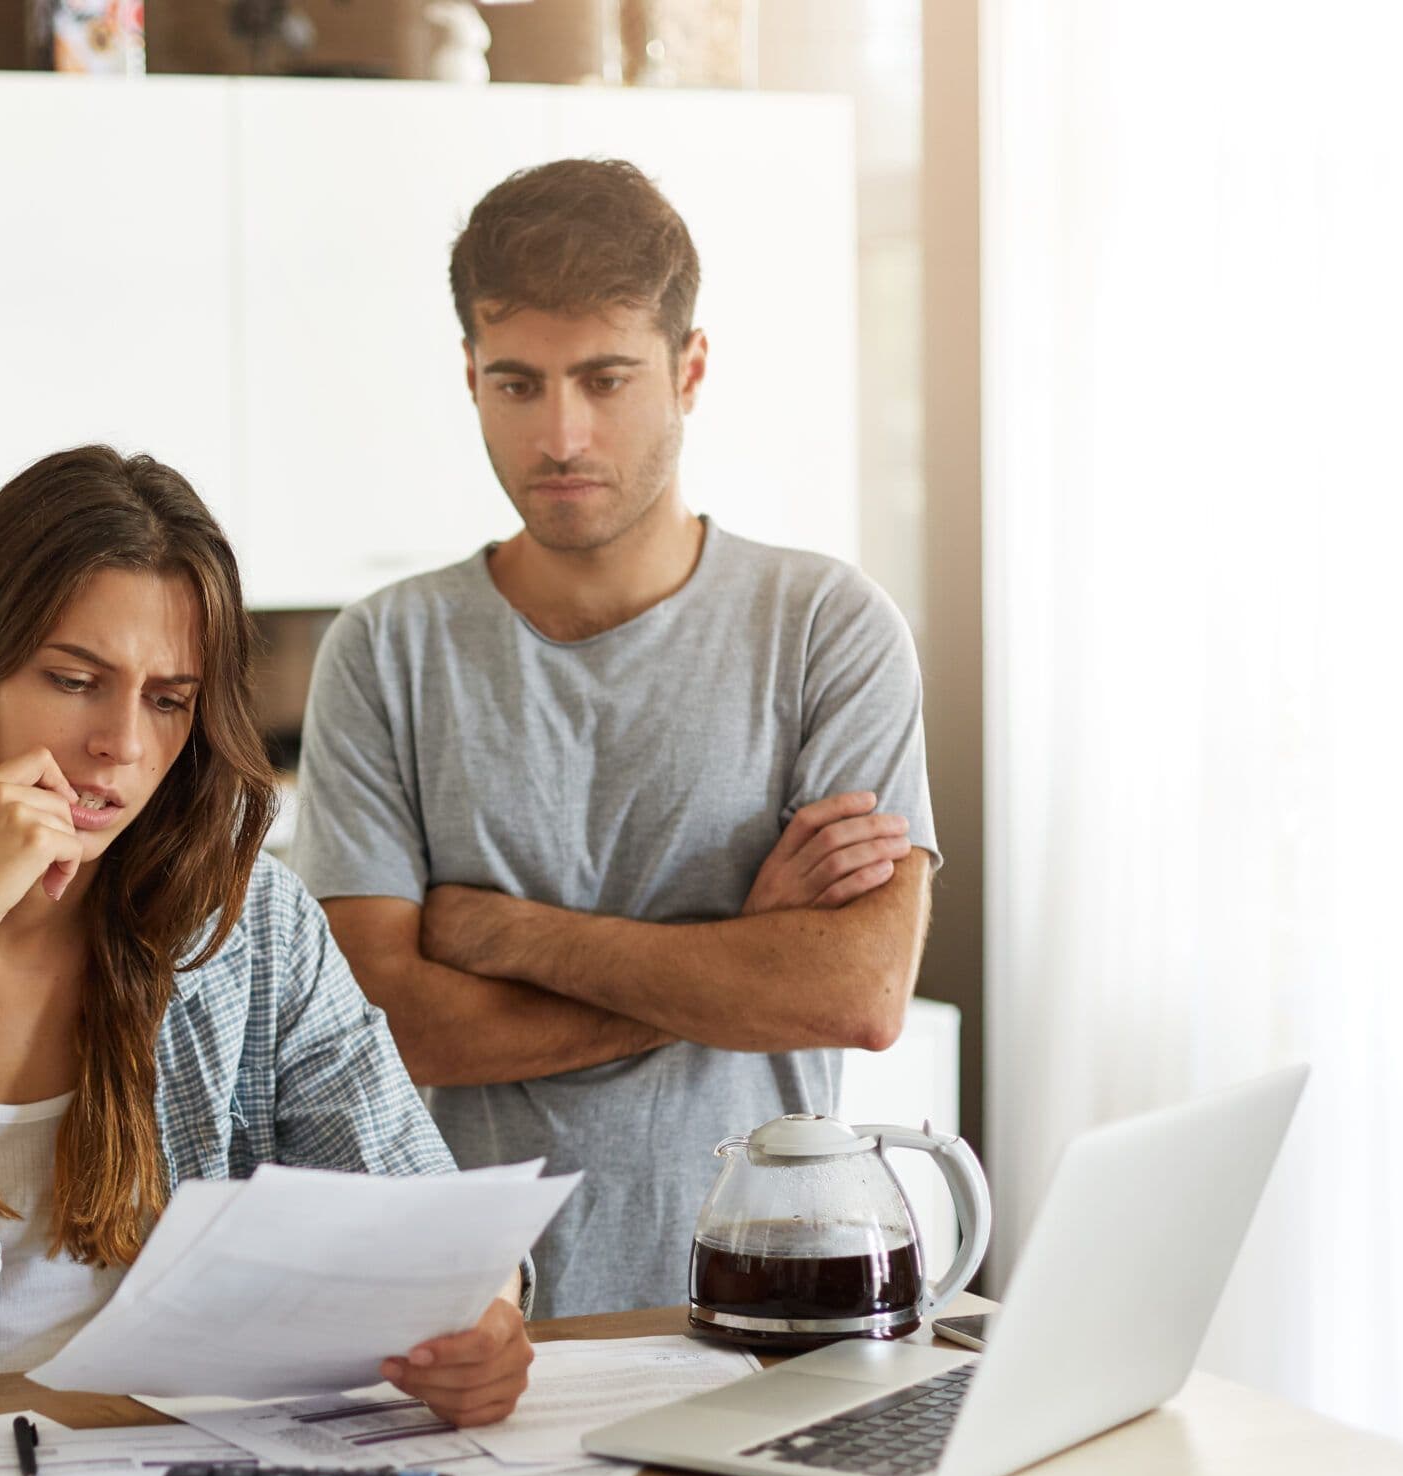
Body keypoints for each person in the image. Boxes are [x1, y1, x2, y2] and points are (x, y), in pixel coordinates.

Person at [0, 445, 533, 1423]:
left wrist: (482, 1323)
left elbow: (427, 1221)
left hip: (177, 1471)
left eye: (168, 699)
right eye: (75, 679)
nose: (124, 745)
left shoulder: (254, 922)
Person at [294, 158, 941, 1318]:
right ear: (468, 377)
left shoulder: (826, 629)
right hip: (475, 1326)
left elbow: (854, 989)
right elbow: (393, 1028)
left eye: (605, 378)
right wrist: (737, 955)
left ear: (688, 371)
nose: (561, 433)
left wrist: (510, 935)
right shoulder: (384, 649)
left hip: (772, 1303)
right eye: (517, 384)